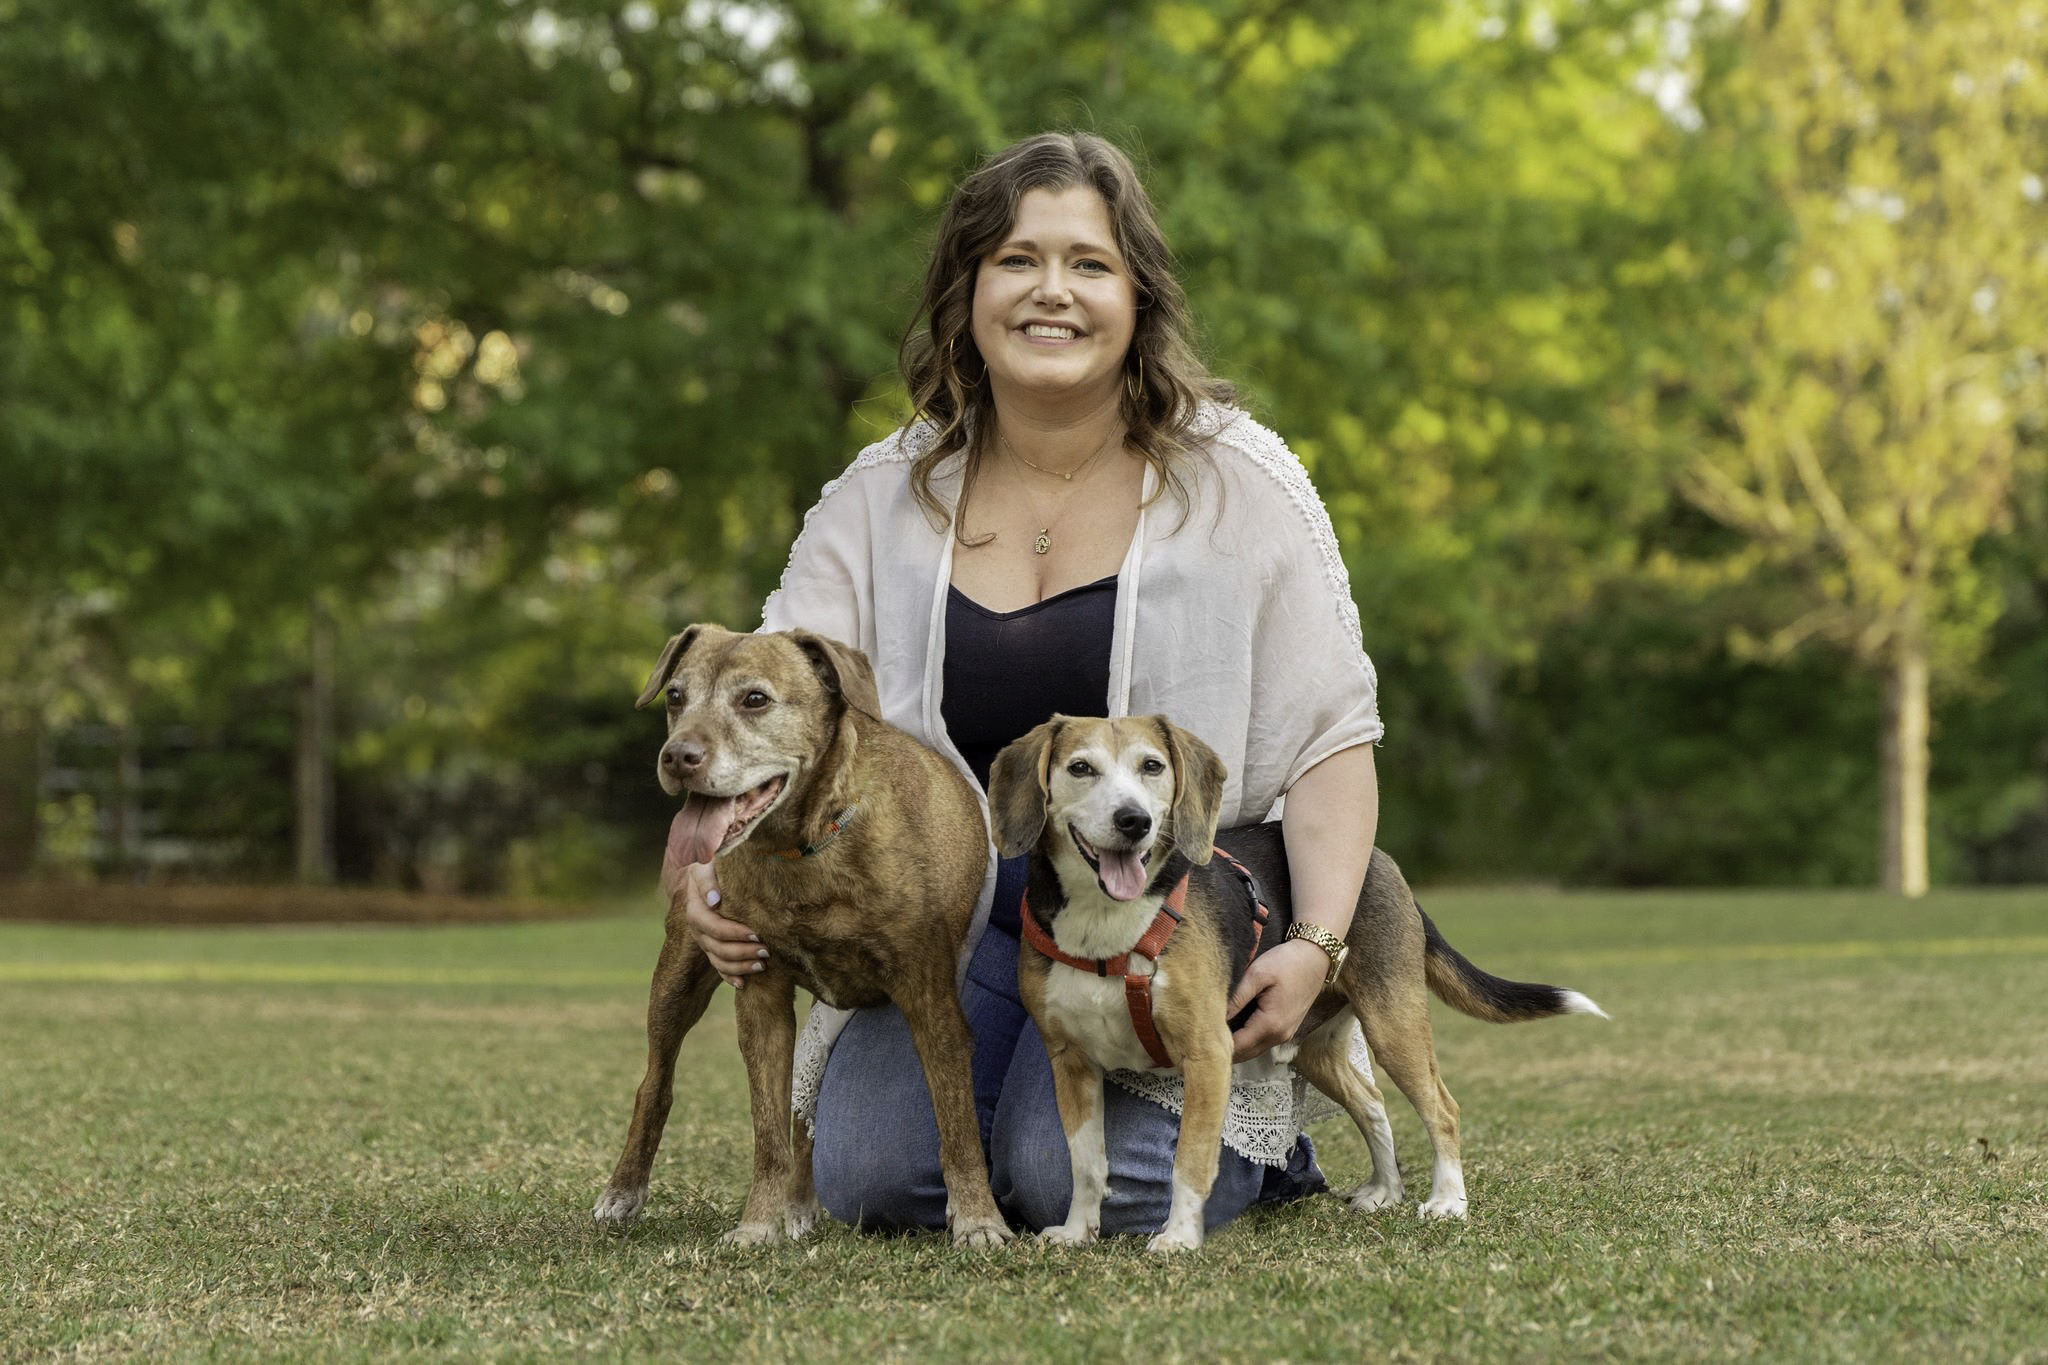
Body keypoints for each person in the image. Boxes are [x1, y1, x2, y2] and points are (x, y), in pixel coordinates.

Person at [665, 132, 1382, 1237]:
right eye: (1014, 260)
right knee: (876, 1180)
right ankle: (1006, 1116)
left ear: (1137, 296)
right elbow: (762, 707)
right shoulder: (876, 498)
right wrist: (700, 882)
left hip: (1167, 915)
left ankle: (1254, 1142)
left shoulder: (1238, 481)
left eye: (1088, 264)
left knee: (1094, 1191)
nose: (1052, 291)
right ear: (965, 294)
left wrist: (1318, 944)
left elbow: (1332, 731)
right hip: (949, 924)